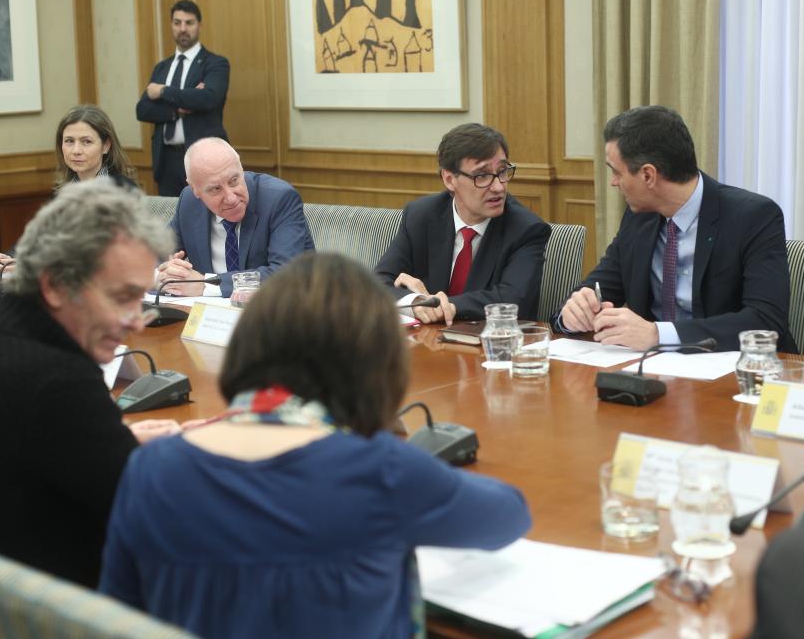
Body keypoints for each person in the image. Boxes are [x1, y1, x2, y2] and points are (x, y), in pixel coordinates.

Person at [100, 253, 531, 637]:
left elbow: (113, 615)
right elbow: (509, 515)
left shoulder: (150, 469)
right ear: (374, 366)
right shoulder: (379, 470)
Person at [0, 181, 182, 639]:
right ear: (56, 285)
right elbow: (151, 515)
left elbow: (42, 455)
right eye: (122, 297)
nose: (136, 320)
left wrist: (119, 444)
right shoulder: (55, 380)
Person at [556, 105, 796, 352]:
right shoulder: (639, 218)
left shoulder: (753, 217)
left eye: (617, 172)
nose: (613, 183)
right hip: (651, 372)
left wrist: (658, 334)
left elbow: (766, 322)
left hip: (735, 373)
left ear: (648, 175)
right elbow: (599, 288)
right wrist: (573, 312)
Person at [375, 123, 551, 325]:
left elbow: (514, 299)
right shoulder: (421, 216)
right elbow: (379, 282)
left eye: (503, 171)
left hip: (490, 347)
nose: (498, 186)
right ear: (450, 180)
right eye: (482, 175)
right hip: (429, 344)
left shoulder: (526, 229)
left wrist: (441, 305)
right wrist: (415, 301)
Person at [0, 104, 139, 274]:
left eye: (86, 142)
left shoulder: (123, 192)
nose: (76, 151)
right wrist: (7, 261)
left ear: (106, 146)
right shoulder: (65, 192)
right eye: (69, 141)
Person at [156, 137, 314, 298]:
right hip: (209, 317)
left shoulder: (280, 199)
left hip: (277, 313)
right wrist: (166, 273)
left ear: (241, 168)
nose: (231, 198)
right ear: (195, 189)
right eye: (216, 189)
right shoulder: (189, 203)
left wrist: (205, 284)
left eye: (234, 181)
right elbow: (153, 257)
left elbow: (285, 274)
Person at [136, 0, 229, 196]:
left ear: (200, 25)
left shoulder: (215, 64)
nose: (183, 29)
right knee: (171, 223)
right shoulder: (162, 67)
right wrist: (178, 109)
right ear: (171, 25)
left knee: (206, 221)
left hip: (204, 160)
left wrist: (163, 92)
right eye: (177, 23)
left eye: (189, 22)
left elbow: (208, 98)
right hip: (166, 161)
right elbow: (143, 109)